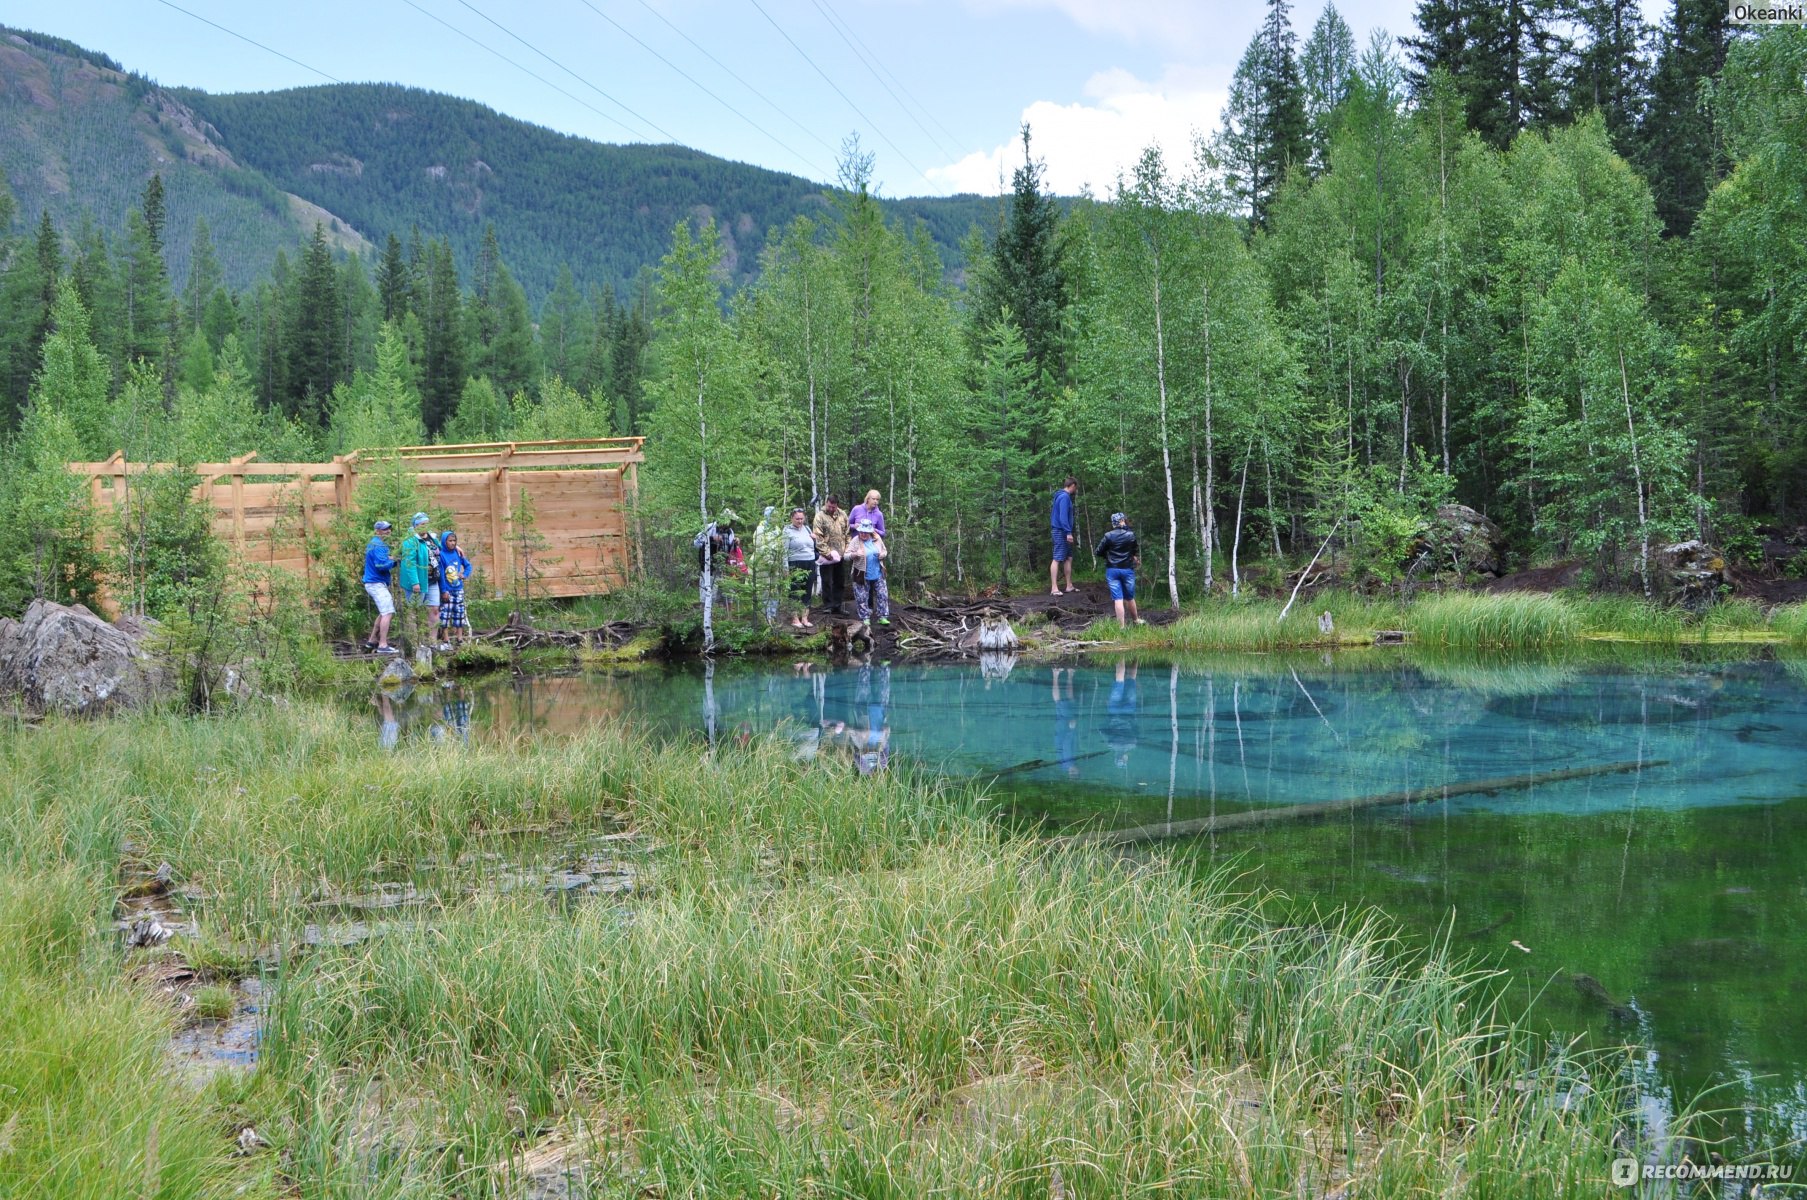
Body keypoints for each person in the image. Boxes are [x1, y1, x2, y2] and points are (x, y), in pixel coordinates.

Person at [398, 512, 441, 648]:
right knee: (414, 611)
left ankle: (432, 642)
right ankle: (415, 642)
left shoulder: (432, 538)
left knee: (434, 609)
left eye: (427, 523)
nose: (425, 526)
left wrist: (456, 547)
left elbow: (440, 548)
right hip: (419, 581)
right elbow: (409, 563)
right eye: (422, 524)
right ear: (415, 526)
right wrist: (415, 582)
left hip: (432, 580)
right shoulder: (410, 540)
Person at [1094, 511, 1145, 628]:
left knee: (1118, 598)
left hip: (1112, 570)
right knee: (1130, 597)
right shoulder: (1130, 535)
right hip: (1127, 569)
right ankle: (1136, 620)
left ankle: (1121, 627)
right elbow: (1134, 551)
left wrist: (1108, 556)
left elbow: (1098, 551)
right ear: (1122, 521)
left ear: (1113, 523)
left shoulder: (1108, 536)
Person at [361, 519, 400, 655]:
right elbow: (381, 565)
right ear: (377, 531)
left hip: (375, 583)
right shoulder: (379, 546)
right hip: (375, 583)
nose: (388, 531)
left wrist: (392, 560)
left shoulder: (375, 543)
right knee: (388, 612)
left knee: (384, 612)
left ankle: (371, 641)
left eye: (389, 528)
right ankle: (383, 645)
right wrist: (394, 560)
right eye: (384, 529)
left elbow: (384, 562)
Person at [847, 519, 890, 626]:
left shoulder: (876, 538)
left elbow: (884, 550)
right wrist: (855, 554)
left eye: (865, 532)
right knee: (861, 597)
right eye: (861, 532)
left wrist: (882, 555)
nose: (863, 534)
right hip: (861, 573)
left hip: (878, 572)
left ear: (870, 532)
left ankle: (883, 616)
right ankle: (865, 617)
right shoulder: (855, 540)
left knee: (882, 595)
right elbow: (846, 556)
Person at [812, 496, 849, 614]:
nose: (831, 508)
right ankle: (828, 605)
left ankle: (837, 605)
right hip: (826, 555)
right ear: (826, 503)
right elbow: (818, 536)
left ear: (837, 505)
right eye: (829, 506)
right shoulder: (820, 516)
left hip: (840, 554)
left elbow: (847, 533)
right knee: (826, 580)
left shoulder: (843, 515)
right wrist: (826, 552)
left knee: (840, 580)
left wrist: (847, 549)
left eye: (833, 506)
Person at [436, 530, 473, 649]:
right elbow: (441, 574)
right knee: (445, 614)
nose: (452, 543)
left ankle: (459, 638)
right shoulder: (441, 555)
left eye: (454, 541)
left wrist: (464, 575)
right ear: (444, 541)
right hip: (447, 589)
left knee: (459, 613)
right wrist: (443, 590)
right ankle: (446, 639)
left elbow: (468, 565)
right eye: (450, 541)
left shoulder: (458, 553)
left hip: (458, 589)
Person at [782, 507, 818, 628]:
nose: (800, 521)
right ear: (792, 518)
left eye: (802, 518)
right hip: (795, 563)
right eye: (797, 519)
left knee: (807, 590)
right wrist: (785, 568)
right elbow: (784, 551)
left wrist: (815, 539)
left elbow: (814, 547)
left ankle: (805, 618)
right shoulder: (787, 531)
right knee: (795, 591)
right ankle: (795, 618)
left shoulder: (807, 529)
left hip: (810, 562)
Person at [751, 506, 786, 625]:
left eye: (777, 515)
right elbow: (760, 548)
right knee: (764, 590)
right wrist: (770, 562)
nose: (775, 518)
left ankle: (773, 615)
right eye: (773, 515)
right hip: (762, 566)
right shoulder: (760, 529)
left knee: (774, 590)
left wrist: (779, 563)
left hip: (775, 566)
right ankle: (764, 618)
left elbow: (781, 547)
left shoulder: (777, 530)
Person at [1050, 476, 1078, 596]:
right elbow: (1063, 517)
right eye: (1075, 488)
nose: (1075, 491)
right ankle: (1054, 588)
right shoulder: (1064, 497)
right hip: (1060, 531)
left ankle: (1069, 585)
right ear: (1072, 486)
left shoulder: (1062, 496)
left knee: (1068, 557)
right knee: (1057, 558)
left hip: (1063, 531)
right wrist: (1068, 532)